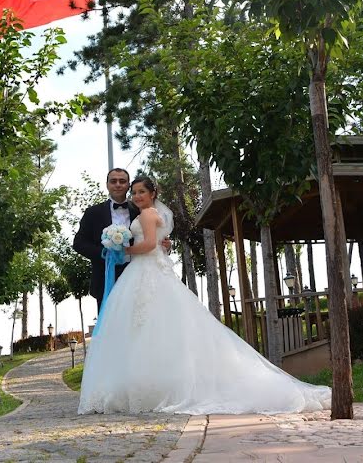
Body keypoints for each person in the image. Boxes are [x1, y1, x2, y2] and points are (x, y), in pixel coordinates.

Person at [78, 176, 331, 415]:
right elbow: (158, 240)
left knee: (149, 325)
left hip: (145, 270)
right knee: (150, 328)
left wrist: (124, 248)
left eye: (141, 191)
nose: (136, 195)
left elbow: (148, 244)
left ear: (153, 193)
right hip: (148, 270)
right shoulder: (147, 213)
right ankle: (147, 382)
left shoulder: (146, 213)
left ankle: (150, 388)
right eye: (134, 192)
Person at [72, 168, 139, 310]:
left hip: (137, 274)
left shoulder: (139, 211)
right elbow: (78, 243)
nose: (118, 184)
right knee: (108, 327)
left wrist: (165, 244)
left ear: (128, 185)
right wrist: (103, 253)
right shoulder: (93, 212)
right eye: (113, 181)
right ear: (107, 185)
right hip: (105, 277)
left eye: (122, 181)